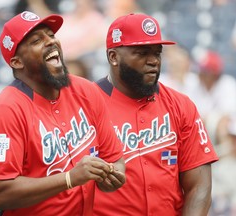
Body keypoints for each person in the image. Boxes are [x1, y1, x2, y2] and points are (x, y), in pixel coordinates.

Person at [0, 11, 125, 215]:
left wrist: (112, 176)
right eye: (37, 40)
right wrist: (69, 178)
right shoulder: (3, 112)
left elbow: (114, 158)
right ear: (16, 62)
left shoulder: (85, 90)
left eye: (51, 35)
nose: (51, 42)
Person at [93, 13, 219, 216]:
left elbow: (199, 186)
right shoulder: (85, 106)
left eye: (157, 53)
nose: (153, 61)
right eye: (141, 53)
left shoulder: (180, 105)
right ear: (113, 57)